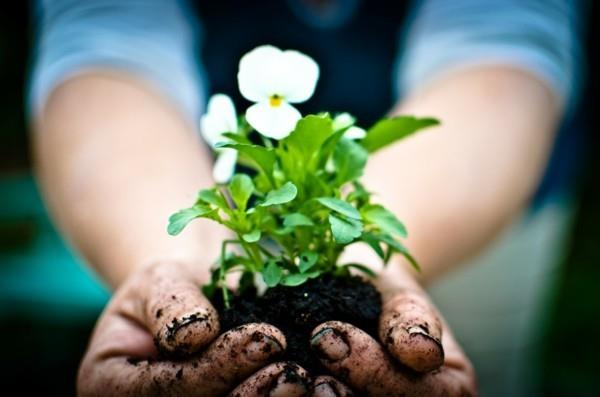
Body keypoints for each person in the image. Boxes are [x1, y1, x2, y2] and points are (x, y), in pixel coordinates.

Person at [29, 0, 584, 395]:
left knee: (479, 365)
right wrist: (173, 255)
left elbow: (505, 35)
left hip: (480, 193)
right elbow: (103, 41)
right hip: (177, 181)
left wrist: (362, 254)